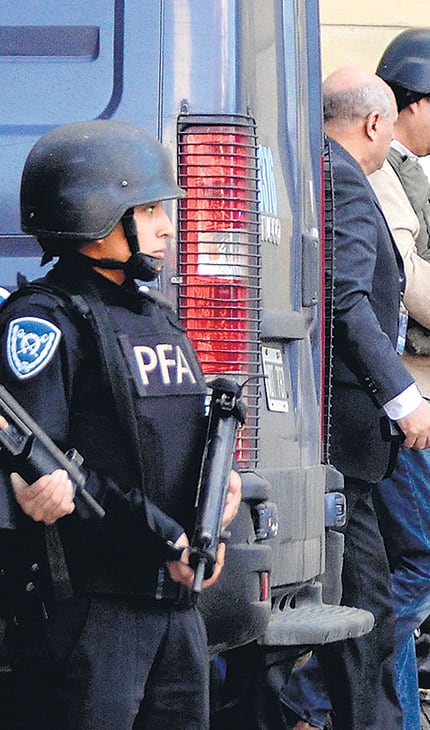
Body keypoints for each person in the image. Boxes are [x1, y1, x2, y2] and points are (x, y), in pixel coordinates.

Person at [280, 30, 430, 730]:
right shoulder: (359, 177)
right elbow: (374, 294)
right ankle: (306, 698)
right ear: (383, 115)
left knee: (380, 587)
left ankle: (381, 715)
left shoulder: (376, 172)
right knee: (418, 567)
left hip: (385, 405)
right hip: (385, 404)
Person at [0, 119, 242, 729]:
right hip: (93, 612)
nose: (167, 225)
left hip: (175, 605)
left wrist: (222, 489)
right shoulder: (44, 322)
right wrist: (161, 540)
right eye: (151, 208)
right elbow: (51, 473)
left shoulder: (155, 317)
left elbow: (172, 437)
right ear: (96, 213)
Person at [280, 66, 430, 730]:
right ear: (375, 123)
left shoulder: (304, 167)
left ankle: (313, 710)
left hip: (328, 436)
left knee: (364, 602)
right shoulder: (345, 178)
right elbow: (347, 301)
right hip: (348, 437)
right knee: (367, 605)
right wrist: (405, 401)